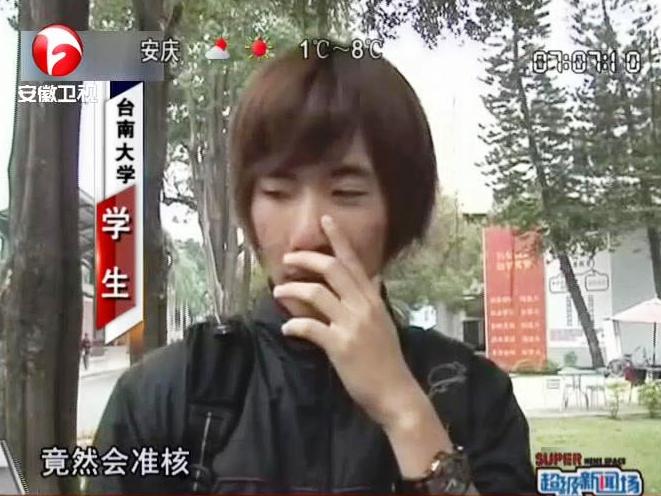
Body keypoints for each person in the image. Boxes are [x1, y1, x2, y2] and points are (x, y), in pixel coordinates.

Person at [88, 42, 536, 494]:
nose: (306, 233)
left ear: (399, 210)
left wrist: (404, 410)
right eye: (277, 192)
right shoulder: (168, 392)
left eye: (346, 194)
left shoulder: (472, 392)